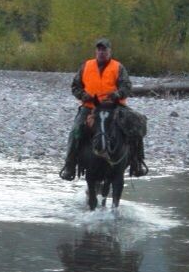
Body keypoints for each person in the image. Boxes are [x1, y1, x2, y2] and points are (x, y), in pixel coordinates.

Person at [59, 38, 148, 181]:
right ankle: (69, 166)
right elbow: (75, 86)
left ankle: (137, 163)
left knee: (137, 123)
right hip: (90, 107)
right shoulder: (86, 66)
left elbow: (127, 86)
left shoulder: (118, 67)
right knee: (75, 131)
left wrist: (117, 94)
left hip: (114, 107)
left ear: (109, 51)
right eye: (99, 49)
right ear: (96, 51)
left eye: (104, 50)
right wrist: (83, 95)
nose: (101, 52)